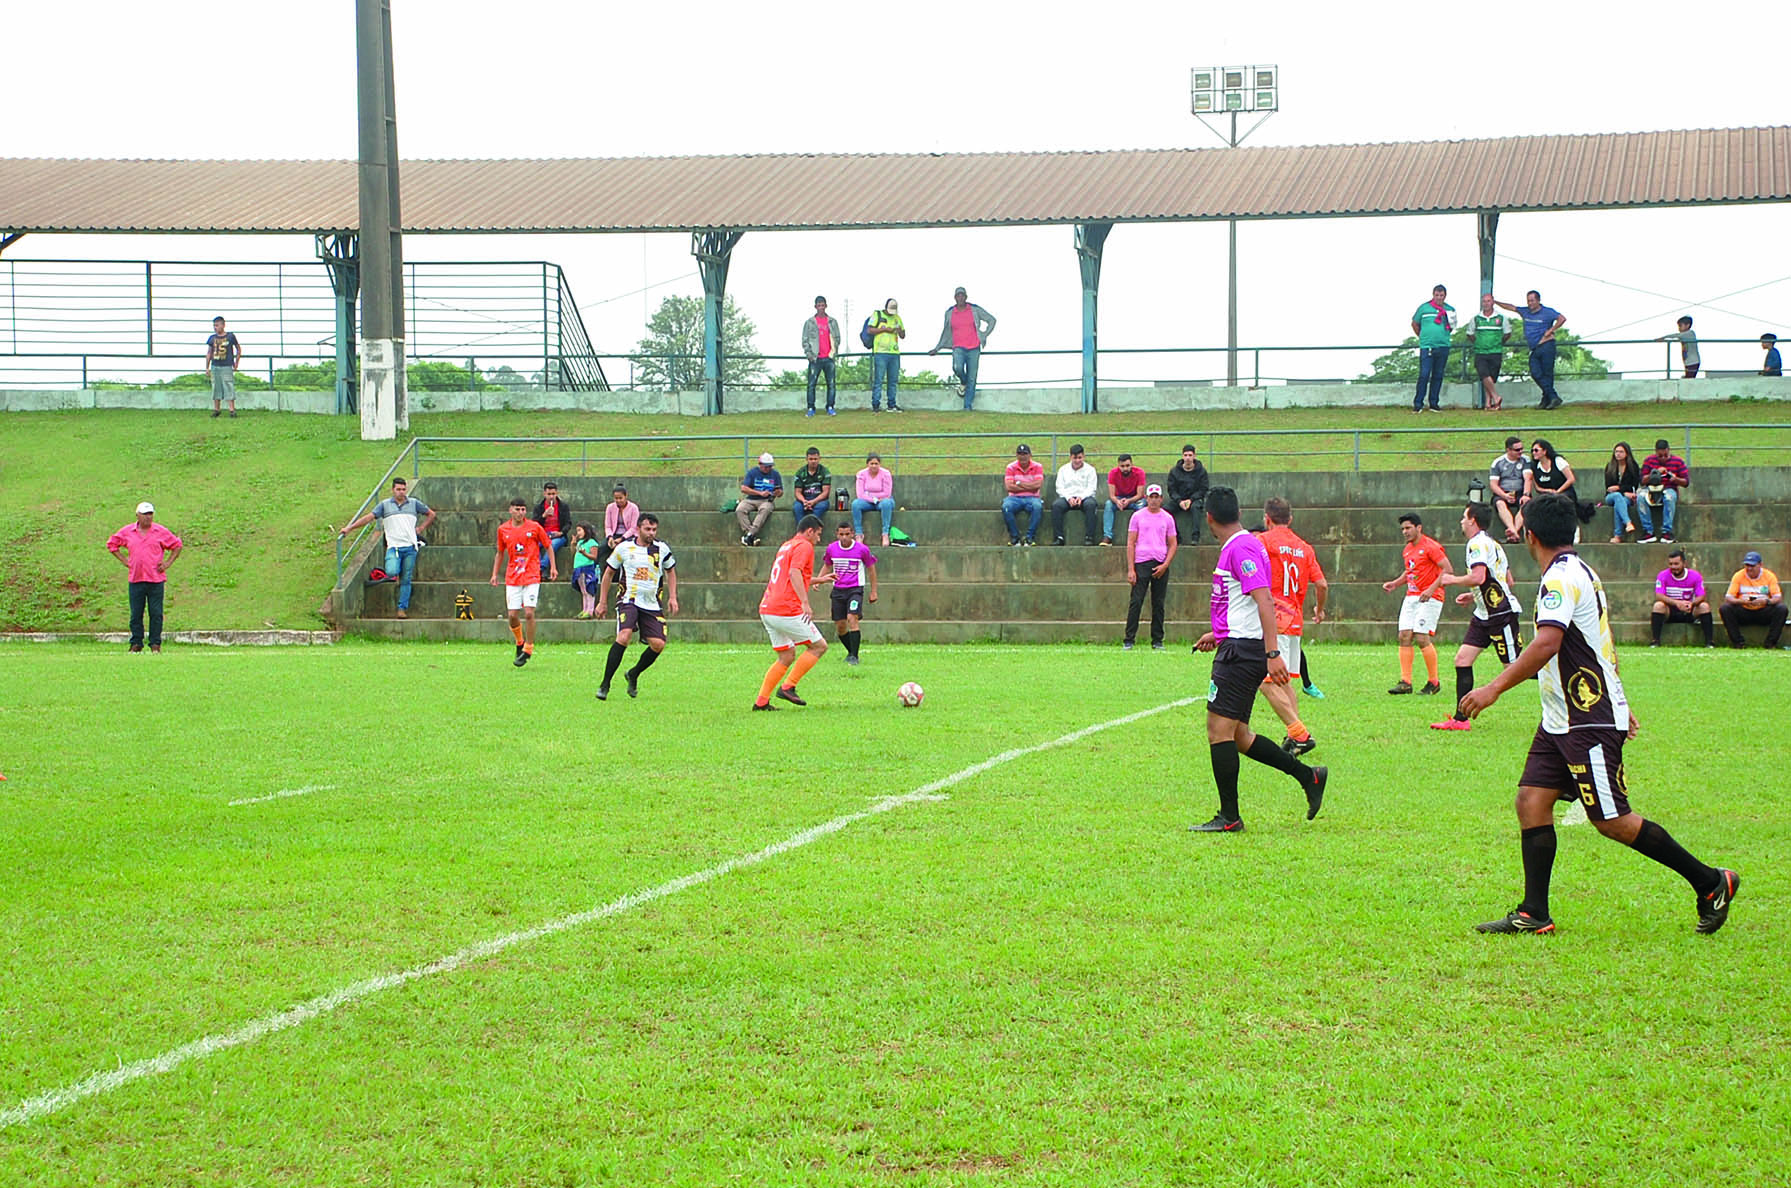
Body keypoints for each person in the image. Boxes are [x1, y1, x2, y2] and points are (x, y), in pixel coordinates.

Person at [1459, 494, 1739, 936]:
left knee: (1611, 820)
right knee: (1531, 801)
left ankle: (1710, 882)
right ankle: (1534, 913)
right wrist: (1622, 703)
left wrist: (1493, 688)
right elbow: (1602, 642)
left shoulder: (1561, 580)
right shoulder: (1577, 572)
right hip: (1562, 717)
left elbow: (1548, 643)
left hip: (1585, 717)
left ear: (1529, 536)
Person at [1189, 485, 1327, 833]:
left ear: (1209, 518)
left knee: (1218, 730)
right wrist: (1218, 633)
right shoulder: (1241, 545)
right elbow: (1243, 603)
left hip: (1242, 652)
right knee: (1238, 735)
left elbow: (1264, 599)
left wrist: (1272, 653)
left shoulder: (1243, 547)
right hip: (1237, 643)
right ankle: (1309, 776)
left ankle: (1229, 817)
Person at [1430, 503, 1524, 732]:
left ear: (1472, 520)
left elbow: (1479, 576)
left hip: (1500, 615)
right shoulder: (1492, 543)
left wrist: (1453, 580)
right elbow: (1506, 580)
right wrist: (1474, 596)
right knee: (1462, 659)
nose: (1461, 521)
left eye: (1464, 517)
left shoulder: (1477, 544)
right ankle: (1460, 719)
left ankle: (1568, 686)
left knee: (1517, 668)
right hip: (1484, 614)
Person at [1257, 497, 1328, 755]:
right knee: (1284, 681)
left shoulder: (1263, 542)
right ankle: (1294, 735)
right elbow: (1322, 585)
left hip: (1272, 619)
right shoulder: (1305, 548)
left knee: (1263, 680)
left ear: (1267, 518)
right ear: (1291, 519)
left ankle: (1299, 733)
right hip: (1294, 620)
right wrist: (1319, 610)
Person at [594, 512, 678, 699]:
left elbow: (671, 571)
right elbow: (608, 574)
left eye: (654, 529)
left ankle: (633, 673)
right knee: (623, 637)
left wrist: (672, 597)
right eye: (648, 529)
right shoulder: (624, 548)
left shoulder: (661, 549)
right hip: (628, 600)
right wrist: (602, 602)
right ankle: (605, 684)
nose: (651, 533)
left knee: (658, 644)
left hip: (651, 603)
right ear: (638, 528)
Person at [752, 516, 830, 710]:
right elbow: (794, 573)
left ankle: (761, 702)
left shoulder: (787, 545)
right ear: (810, 531)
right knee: (819, 646)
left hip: (768, 608)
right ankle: (788, 686)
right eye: (818, 535)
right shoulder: (804, 546)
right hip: (785, 609)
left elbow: (791, 576)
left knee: (786, 656)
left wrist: (819, 580)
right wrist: (805, 602)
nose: (819, 540)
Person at [336, 476, 436, 620]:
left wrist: (421, 528)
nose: (401, 492)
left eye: (403, 489)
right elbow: (369, 518)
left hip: (410, 547)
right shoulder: (384, 505)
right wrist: (350, 528)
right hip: (394, 547)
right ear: (392, 490)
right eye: (398, 489)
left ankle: (402, 609)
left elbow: (431, 514)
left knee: (406, 579)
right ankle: (396, 574)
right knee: (392, 571)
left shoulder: (414, 503)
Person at [1381, 512, 1452, 695]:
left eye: (1408, 528)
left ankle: (1433, 681)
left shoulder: (1431, 547)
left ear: (1418, 528)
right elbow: (1410, 571)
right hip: (1412, 596)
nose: (1404, 532)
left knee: (1421, 637)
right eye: (1402, 529)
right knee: (1404, 635)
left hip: (1431, 596)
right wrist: (1395, 583)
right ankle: (1406, 681)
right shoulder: (1407, 549)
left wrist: (1430, 589)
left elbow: (1447, 569)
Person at [106, 501, 183, 653]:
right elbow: (112, 544)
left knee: (156, 613)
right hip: (136, 578)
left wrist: (167, 563)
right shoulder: (128, 532)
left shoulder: (160, 531)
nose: (148, 517)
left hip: (155, 579)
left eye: (150, 514)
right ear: (138, 515)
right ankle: (136, 642)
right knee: (136, 613)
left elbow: (176, 545)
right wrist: (125, 561)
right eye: (145, 514)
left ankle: (155, 643)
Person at [490, 497, 555, 667]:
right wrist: (495, 574)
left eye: (523, 510)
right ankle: (519, 641)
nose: (520, 513)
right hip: (513, 577)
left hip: (532, 575)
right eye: (517, 509)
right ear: (510, 510)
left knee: (529, 613)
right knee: (512, 616)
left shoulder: (534, 527)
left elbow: (548, 545)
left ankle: (528, 648)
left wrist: (553, 567)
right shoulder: (503, 529)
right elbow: (500, 552)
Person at [813, 522, 878, 666]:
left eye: (847, 534)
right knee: (840, 625)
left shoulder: (862, 550)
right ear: (837, 534)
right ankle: (851, 652)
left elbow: (871, 569)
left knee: (852, 618)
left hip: (855, 589)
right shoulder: (832, 548)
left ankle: (854, 657)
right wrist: (818, 580)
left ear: (852, 534)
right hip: (838, 590)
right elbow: (827, 565)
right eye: (841, 534)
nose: (844, 537)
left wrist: (873, 591)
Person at [1123, 485, 1178, 651]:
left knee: (1158, 603)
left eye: (1157, 497)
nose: (1154, 500)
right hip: (1141, 562)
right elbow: (1131, 542)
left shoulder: (1167, 518)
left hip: (1160, 562)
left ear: (1161, 499)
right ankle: (1129, 639)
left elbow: (1173, 543)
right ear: (1146, 498)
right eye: (1151, 497)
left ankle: (1157, 640)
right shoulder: (1137, 516)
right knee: (1136, 601)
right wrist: (1131, 569)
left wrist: (1165, 564)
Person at [1494, 290, 1566, 410]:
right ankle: (1552, 397)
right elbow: (1511, 307)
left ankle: (1547, 400)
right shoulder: (1525, 311)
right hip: (1534, 347)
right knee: (1536, 373)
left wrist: (1551, 330)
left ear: (1538, 300)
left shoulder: (1547, 312)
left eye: (1532, 300)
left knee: (1547, 374)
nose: (1530, 303)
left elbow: (1562, 318)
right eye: (1528, 301)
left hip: (1546, 345)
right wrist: (1495, 302)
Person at [928, 286, 996, 410]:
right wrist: (937, 348)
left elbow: (992, 320)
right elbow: (945, 332)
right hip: (958, 347)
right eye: (958, 296)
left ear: (966, 297)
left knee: (972, 376)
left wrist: (984, 334)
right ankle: (963, 382)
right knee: (957, 368)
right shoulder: (950, 312)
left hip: (974, 347)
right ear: (955, 298)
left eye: (962, 295)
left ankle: (967, 406)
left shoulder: (974, 309)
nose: (960, 298)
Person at [1720, 550, 1786, 649]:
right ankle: (1738, 643)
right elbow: (1729, 597)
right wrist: (1742, 601)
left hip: (1763, 610)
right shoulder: (1738, 575)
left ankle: (1770, 643)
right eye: (1747, 565)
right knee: (1725, 608)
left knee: (1782, 609)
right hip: (1744, 610)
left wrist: (1766, 601)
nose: (1749, 569)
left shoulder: (1769, 576)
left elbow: (1777, 597)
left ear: (1760, 565)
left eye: (1752, 566)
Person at [1650, 548, 1714, 647]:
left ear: (1684, 564)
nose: (1673, 567)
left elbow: (1701, 596)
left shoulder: (1695, 576)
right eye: (1670, 564)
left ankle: (1709, 642)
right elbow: (1659, 595)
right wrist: (1677, 603)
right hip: (1670, 611)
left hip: (1689, 610)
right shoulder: (1662, 575)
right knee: (1658, 606)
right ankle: (1655, 641)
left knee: (1704, 606)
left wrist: (1691, 604)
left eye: (1676, 564)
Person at [1411, 283, 1457, 412]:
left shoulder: (1450, 309)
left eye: (1441, 295)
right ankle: (1418, 403)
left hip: (1443, 345)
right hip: (1427, 346)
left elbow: (1452, 326)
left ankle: (1434, 403)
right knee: (1424, 374)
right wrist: (1422, 336)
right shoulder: (1424, 308)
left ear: (1445, 296)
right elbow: (1415, 323)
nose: (1439, 298)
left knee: (1438, 375)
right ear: (1433, 295)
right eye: (1437, 295)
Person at [1637, 438, 1689, 544]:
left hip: (1669, 488)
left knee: (1669, 498)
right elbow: (1642, 481)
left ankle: (1667, 532)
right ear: (1655, 452)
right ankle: (1648, 531)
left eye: (1665, 455)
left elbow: (1686, 482)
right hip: (1651, 488)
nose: (1663, 458)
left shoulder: (1677, 461)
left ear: (1669, 450)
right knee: (1641, 497)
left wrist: (1675, 479)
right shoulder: (1649, 461)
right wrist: (1654, 474)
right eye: (1660, 456)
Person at [1050, 443, 1100, 545]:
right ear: (1070, 457)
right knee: (1056, 506)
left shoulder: (1090, 470)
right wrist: (1069, 498)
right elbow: (1059, 487)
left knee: (1091, 505)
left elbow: (1092, 488)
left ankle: (1089, 537)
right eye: (1075, 458)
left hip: (1085, 497)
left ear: (1084, 456)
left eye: (1080, 458)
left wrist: (1081, 497)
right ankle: (1059, 537)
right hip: (1067, 497)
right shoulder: (1063, 470)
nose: (1077, 461)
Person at [801, 296, 842, 416]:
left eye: (822, 305)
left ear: (826, 306)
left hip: (829, 358)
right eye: (819, 305)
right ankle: (810, 408)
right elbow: (805, 340)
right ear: (815, 307)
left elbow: (837, 338)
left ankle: (830, 406)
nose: (821, 307)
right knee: (811, 384)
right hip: (815, 358)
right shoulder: (810, 322)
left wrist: (833, 351)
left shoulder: (832, 322)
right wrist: (809, 354)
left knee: (831, 383)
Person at [1164, 444, 1210, 544]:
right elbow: (1171, 489)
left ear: (1194, 456)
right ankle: (1176, 537)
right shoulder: (1174, 471)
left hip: (1195, 500)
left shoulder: (1201, 471)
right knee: (1166, 511)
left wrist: (1191, 500)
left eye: (1190, 455)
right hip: (1178, 500)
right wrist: (1179, 501)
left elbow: (1203, 489)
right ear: (1182, 456)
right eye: (1185, 455)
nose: (1187, 458)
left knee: (1196, 508)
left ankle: (1195, 537)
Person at [1470, 293, 1510, 411]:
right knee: (1483, 374)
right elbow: (1470, 334)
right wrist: (1478, 343)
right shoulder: (1476, 318)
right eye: (1484, 301)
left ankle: (1489, 403)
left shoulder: (1501, 318)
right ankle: (1496, 397)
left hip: (1495, 351)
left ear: (1492, 302)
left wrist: (1498, 342)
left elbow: (1507, 333)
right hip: (1481, 351)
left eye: (1488, 301)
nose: (1486, 304)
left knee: (1491, 377)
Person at [1002, 443, 1044, 546]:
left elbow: (1037, 485)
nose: (1022, 456)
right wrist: (1030, 486)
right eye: (1020, 454)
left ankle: (1029, 537)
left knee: (1038, 507)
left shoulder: (1038, 466)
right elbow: (1009, 487)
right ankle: (1015, 537)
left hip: (1033, 497)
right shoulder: (1010, 467)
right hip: (1014, 498)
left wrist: (1019, 484)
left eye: (1025, 454)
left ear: (1030, 455)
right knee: (1006, 507)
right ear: (1016, 455)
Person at [738, 452, 783, 547]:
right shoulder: (752, 472)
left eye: (770, 467)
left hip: (766, 500)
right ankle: (750, 534)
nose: (768, 469)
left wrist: (777, 492)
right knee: (740, 509)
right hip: (751, 499)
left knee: (765, 509)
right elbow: (744, 488)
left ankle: (750, 534)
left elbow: (780, 492)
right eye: (766, 467)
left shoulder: (775, 474)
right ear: (760, 465)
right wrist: (759, 493)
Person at [1488, 436, 1528, 542]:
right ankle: (1513, 530)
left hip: (1520, 491)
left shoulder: (1525, 460)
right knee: (1500, 503)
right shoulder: (1498, 463)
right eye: (1517, 450)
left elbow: (1528, 478)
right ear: (1508, 450)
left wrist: (1526, 494)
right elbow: (1493, 484)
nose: (1521, 452)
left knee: (1526, 504)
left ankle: (1513, 531)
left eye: (1522, 449)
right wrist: (1504, 495)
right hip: (1503, 492)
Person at [1101, 453, 1147, 546]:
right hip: (1119, 498)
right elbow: (1111, 495)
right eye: (1122, 466)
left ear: (1132, 465)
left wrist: (1129, 501)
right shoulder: (1113, 473)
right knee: (1108, 505)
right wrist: (1117, 501)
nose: (1125, 468)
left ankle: (1141, 536)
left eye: (1127, 465)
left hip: (1134, 499)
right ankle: (1107, 536)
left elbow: (1140, 494)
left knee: (1142, 506)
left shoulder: (1139, 473)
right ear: (1118, 466)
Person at [868, 297, 905, 412]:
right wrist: (884, 330)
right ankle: (876, 404)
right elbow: (869, 330)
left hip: (894, 352)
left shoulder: (897, 318)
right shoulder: (877, 314)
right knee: (879, 380)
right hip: (880, 352)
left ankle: (891, 404)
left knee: (893, 380)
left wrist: (898, 330)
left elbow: (903, 335)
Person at [851, 453, 895, 546]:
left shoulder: (886, 474)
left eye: (876, 464)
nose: (874, 466)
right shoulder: (861, 474)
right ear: (867, 464)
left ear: (879, 464)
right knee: (855, 504)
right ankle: (859, 534)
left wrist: (872, 496)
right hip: (867, 501)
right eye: (872, 463)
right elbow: (860, 494)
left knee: (887, 503)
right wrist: (873, 499)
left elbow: (887, 493)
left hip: (883, 501)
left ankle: (885, 534)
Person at [1602, 442, 1642, 544]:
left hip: (1627, 497)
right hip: (1611, 496)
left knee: (1619, 503)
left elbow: (1634, 485)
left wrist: (1619, 489)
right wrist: (1623, 491)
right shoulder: (1610, 466)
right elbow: (1609, 488)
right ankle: (1628, 522)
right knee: (1616, 496)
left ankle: (1618, 535)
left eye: (1621, 452)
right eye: (1616, 452)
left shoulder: (1633, 467)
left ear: (1627, 453)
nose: (1618, 454)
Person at [532, 481, 572, 579]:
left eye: (553, 494)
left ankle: (541, 568)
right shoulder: (539, 508)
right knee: (533, 545)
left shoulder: (563, 506)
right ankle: (542, 569)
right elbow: (534, 524)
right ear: (544, 494)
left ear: (556, 493)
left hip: (558, 535)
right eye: (549, 494)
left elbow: (568, 523)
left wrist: (561, 532)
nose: (551, 497)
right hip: (542, 535)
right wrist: (544, 516)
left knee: (552, 544)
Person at [204, 316, 242, 418]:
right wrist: (207, 367)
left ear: (223, 325)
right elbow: (209, 353)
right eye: (214, 326)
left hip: (227, 365)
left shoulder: (230, 336)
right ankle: (216, 409)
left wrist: (236, 362)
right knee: (216, 387)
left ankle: (232, 410)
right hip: (215, 366)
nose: (215, 328)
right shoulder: (212, 338)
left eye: (217, 325)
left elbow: (238, 348)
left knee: (228, 386)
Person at [600, 483, 641, 570]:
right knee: (601, 549)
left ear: (626, 496)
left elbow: (633, 528)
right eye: (616, 498)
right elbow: (608, 526)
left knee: (624, 548)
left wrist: (621, 539)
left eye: (620, 498)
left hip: (629, 536)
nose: (618, 500)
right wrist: (610, 537)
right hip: (614, 535)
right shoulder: (610, 507)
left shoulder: (634, 508)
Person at [791, 447, 832, 529]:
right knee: (797, 507)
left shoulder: (825, 472)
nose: (813, 461)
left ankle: (812, 530)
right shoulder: (800, 472)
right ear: (806, 459)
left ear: (819, 459)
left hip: (820, 499)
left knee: (820, 507)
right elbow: (797, 492)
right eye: (811, 459)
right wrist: (804, 501)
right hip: (804, 499)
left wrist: (813, 502)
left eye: (815, 459)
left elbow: (826, 492)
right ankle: (801, 531)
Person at [569, 522, 603, 619]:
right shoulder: (580, 543)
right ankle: (584, 610)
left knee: (589, 590)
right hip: (578, 568)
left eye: (580, 530)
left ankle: (590, 610)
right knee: (583, 591)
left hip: (587, 569)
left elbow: (594, 556)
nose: (578, 533)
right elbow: (574, 553)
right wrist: (573, 544)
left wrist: (584, 553)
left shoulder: (592, 542)